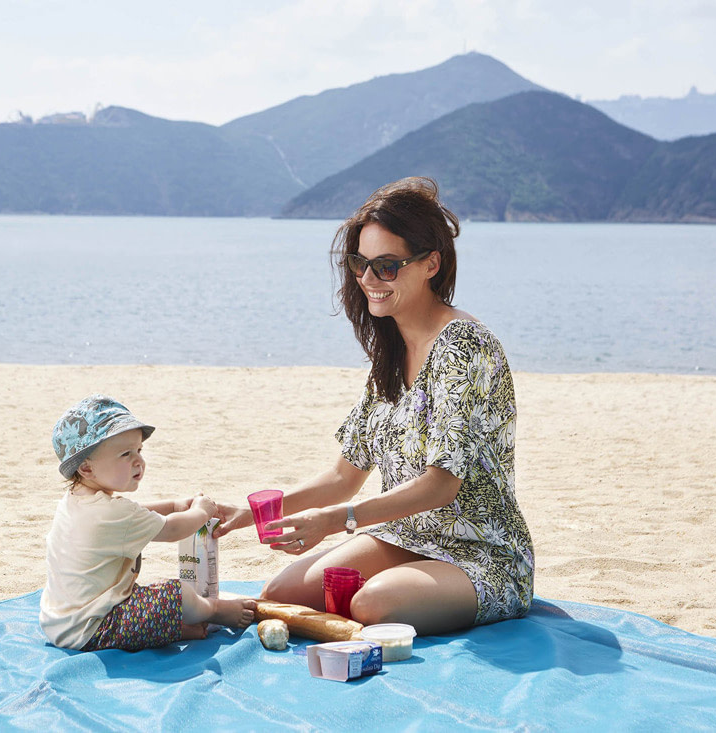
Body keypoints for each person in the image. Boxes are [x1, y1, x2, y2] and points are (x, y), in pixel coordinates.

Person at [214, 177, 534, 635]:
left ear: (430, 264)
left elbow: (441, 486)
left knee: (373, 605)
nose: (367, 280)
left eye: (386, 266)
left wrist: (336, 521)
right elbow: (343, 477)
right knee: (280, 595)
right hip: (405, 536)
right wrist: (249, 513)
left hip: (483, 551)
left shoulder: (465, 346)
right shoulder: (392, 353)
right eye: (360, 264)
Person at [40, 394, 256, 651]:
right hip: (96, 628)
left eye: (139, 450)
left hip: (60, 624)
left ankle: (177, 630)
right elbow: (173, 529)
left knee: (144, 597)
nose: (138, 461)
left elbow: (137, 513)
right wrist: (201, 511)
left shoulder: (77, 502)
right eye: (125, 454)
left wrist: (176, 505)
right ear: (86, 468)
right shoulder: (113, 513)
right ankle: (215, 611)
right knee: (176, 594)